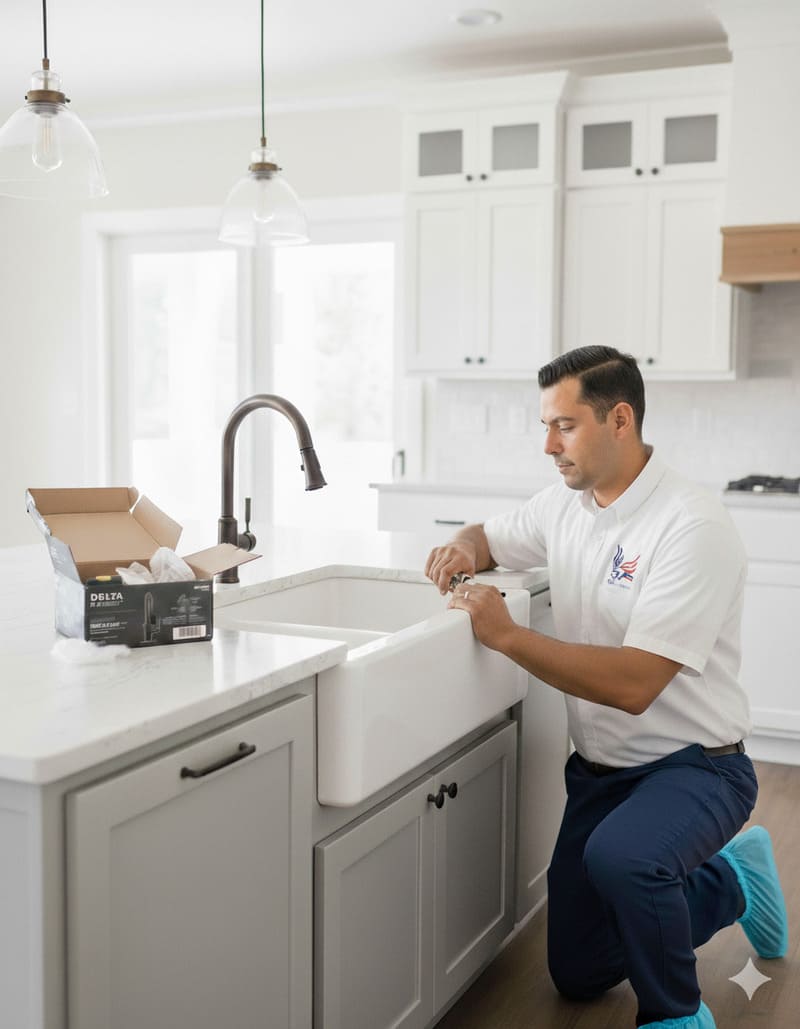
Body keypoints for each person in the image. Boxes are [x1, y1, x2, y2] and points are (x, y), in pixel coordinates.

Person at [424, 346, 788, 1029]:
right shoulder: (566, 506)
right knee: (580, 970)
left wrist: (507, 634)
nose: (547, 445)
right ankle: (733, 878)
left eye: (564, 425)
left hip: (698, 764)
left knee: (624, 858)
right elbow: (487, 534)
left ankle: (676, 1014)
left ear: (619, 418)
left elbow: (635, 683)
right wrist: (464, 549)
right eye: (545, 425)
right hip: (602, 774)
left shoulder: (691, 524)